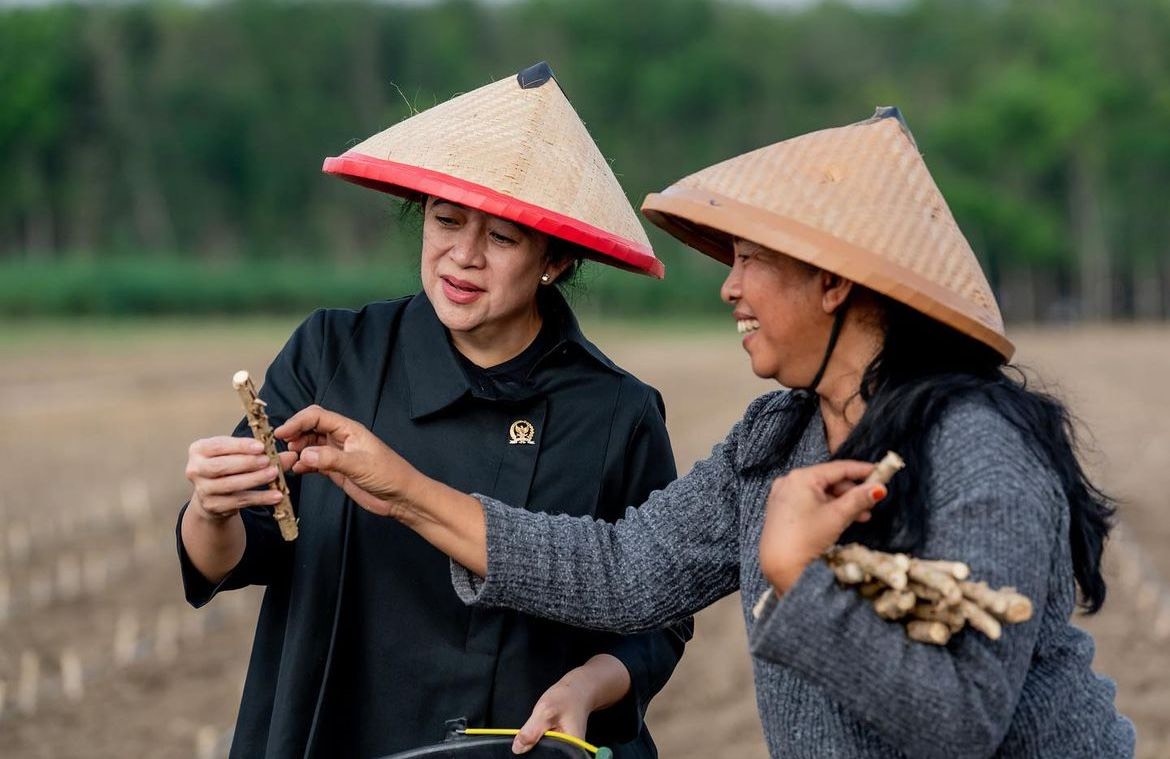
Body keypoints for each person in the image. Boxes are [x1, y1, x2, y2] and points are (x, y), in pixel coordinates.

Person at [275, 108, 1136, 758]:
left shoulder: (978, 449)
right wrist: (402, 489)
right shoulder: (774, 440)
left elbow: (960, 723)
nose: (730, 288)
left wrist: (797, 573)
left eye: (750, 260)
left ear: (833, 283)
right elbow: (619, 572)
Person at [177, 62, 691, 759]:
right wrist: (212, 510)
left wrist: (591, 684)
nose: (464, 256)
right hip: (340, 731)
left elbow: (658, 616)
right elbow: (236, 555)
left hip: (522, 745)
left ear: (555, 261)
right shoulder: (335, 356)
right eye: (446, 220)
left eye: (503, 238)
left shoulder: (614, 410)